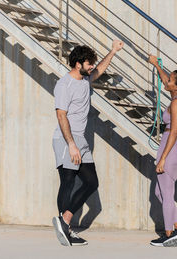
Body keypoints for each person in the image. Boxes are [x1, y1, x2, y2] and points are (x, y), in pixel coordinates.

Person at [52, 40, 124, 246]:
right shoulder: (64, 85)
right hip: (66, 139)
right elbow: (61, 116)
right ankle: (66, 227)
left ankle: (64, 222)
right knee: (68, 181)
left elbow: (100, 69)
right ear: (78, 64)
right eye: (88, 63)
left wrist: (113, 51)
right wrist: (72, 144)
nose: (92, 66)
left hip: (80, 139)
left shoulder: (84, 80)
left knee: (91, 182)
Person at [147, 55, 177, 247]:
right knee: (161, 193)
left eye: (170, 79)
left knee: (166, 194)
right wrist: (156, 65)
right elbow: (166, 81)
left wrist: (163, 159)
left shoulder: (176, 103)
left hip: (171, 147)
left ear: (176, 86)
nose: (166, 80)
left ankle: (169, 234)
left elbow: (173, 132)